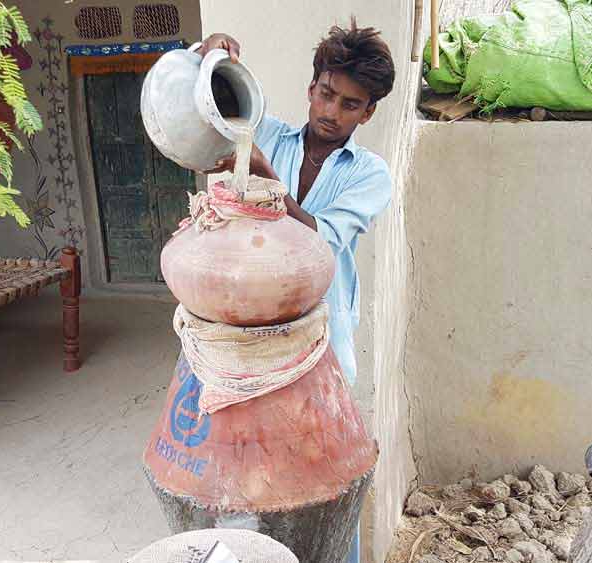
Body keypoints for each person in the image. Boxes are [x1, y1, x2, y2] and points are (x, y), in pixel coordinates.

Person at [193, 18, 396, 563]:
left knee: (326, 485)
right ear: (311, 89)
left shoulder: (369, 174)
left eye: (350, 104)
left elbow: (321, 244)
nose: (332, 112)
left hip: (322, 347)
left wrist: (270, 190)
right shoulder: (268, 135)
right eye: (326, 94)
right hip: (249, 344)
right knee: (247, 483)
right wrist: (207, 59)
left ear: (368, 112)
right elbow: (198, 119)